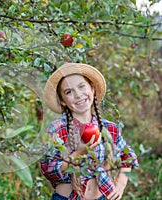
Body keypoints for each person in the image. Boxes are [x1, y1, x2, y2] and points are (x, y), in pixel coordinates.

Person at [40, 63, 139, 200]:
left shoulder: (108, 128)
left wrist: (120, 185)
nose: (78, 94)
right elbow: (48, 168)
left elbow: (127, 157)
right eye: (69, 92)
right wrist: (78, 154)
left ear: (92, 89)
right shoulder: (57, 129)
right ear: (62, 101)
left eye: (82, 86)